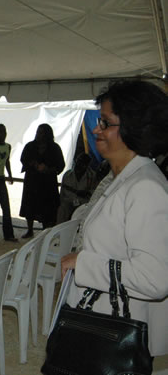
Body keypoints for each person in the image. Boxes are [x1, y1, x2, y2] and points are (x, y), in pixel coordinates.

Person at [61, 80, 168, 361]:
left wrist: (82, 263)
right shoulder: (122, 178)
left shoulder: (146, 187)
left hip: (114, 334)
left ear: (132, 128)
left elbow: (154, 278)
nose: (96, 129)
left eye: (105, 122)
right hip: (102, 322)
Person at [19, 123, 65, 238]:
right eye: (38, 132)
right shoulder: (30, 146)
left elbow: (60, 164)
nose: (39, 135)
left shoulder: (54, 148)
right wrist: (33, 164)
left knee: (47, 207)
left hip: (47, 183)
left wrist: (48, 169)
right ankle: (30, 230)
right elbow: (23, 158)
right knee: (30, 205)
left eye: (42, 133)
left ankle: (46, 231)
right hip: (32, 181)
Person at [56, 152, 96, 223]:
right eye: (78, 162)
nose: (79, 165)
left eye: (83, 164)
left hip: (83, 204)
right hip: (69, 202)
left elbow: (96, 192)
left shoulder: (92, 176)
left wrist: (88, 192)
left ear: (87, 165)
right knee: (62, 209)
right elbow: (62, 194)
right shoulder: (67, 175)